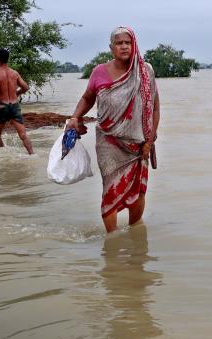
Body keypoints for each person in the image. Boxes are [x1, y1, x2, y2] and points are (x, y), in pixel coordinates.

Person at [66, 26, 160, 233]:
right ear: (111, 48)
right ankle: (112, 238)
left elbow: (155, 108)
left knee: (138, 191)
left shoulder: (146, 71)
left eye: (128, 42)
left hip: (139, 144)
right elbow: (87, 98)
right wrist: (75, 117)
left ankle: (136, 232)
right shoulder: (99, 72)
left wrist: (149, 142)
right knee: (110, 189)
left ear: (134, 44)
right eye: (119, 43)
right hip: (108, 141)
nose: (124, 46)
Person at [0, 49, 34, 154]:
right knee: (23, 135)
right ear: (7, 59)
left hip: (2, 106)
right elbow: (26, 87)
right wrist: (17, 94)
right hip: (14, 105)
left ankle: (1, 157)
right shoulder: (15, 73)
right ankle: (32, 154)